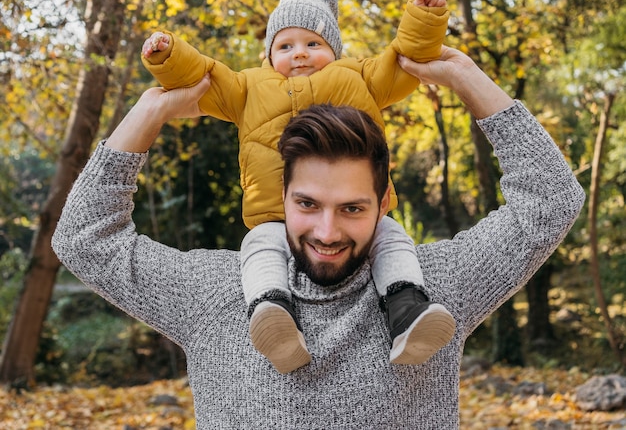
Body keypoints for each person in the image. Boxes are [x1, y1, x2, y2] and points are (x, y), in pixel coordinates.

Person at [52, 45, 585, 428]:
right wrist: (150, 112)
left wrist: (466, 77)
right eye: (307, 204)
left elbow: (550, 202)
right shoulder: (216, 293)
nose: (327, 232)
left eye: (352, 208)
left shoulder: (431, 289)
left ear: (382, 205)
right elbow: (82, 239)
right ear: (281, 198)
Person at [140, 0, 455, 373]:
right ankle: (273, 314)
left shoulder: (358, 76)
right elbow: (202, 77)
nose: (300, 55)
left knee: (391, 238)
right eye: (285, 46)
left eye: (313, 44)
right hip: (273, 212)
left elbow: (405, 59)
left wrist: (425, 17)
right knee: (260, 246)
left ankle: (408, 309)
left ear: (334, 50)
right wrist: (168, 55)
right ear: (268, 53)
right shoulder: (248, 87)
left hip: (355, 209)